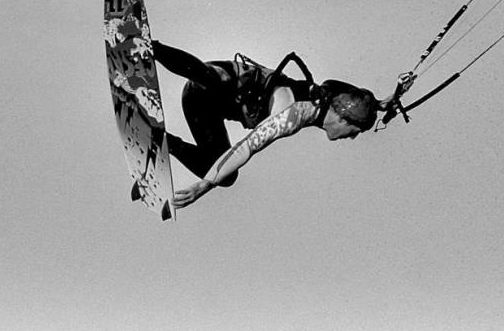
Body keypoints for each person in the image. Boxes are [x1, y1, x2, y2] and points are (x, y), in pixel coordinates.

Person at [152, 41, 410, 209]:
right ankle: (150, 48)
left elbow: (361, 99)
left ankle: (161, 140)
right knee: (211, 80)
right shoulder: (291, 117)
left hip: (206, 108)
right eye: (354, 132)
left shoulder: (333, 97)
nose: (352, 138)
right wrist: (204, 185)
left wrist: (389, 98)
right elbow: (246, 147)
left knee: (226, 177)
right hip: (216, 83)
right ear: (342, 119)